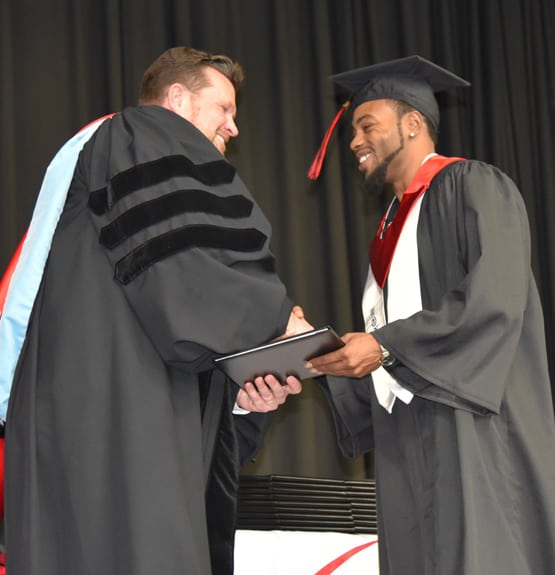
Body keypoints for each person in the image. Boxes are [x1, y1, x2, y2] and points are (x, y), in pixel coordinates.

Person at [1, 46, 313, 575]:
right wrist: (273, 318)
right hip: (110, 417)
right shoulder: (138, 132)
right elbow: (180, 264)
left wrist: (244, 391)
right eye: (224, 109)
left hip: (99, 412)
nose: (234, 128)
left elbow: (163, 299)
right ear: (176, 99)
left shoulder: (99, 155)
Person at [307, 55, 555, 574]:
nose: (354, 141)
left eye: (366, 125)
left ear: (413, 123)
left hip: (472, 420)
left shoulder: (474, 186)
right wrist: (327, 360)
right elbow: (382, 340)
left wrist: (384, 348)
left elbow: (495, 298)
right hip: (408, 435)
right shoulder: (388, 229)